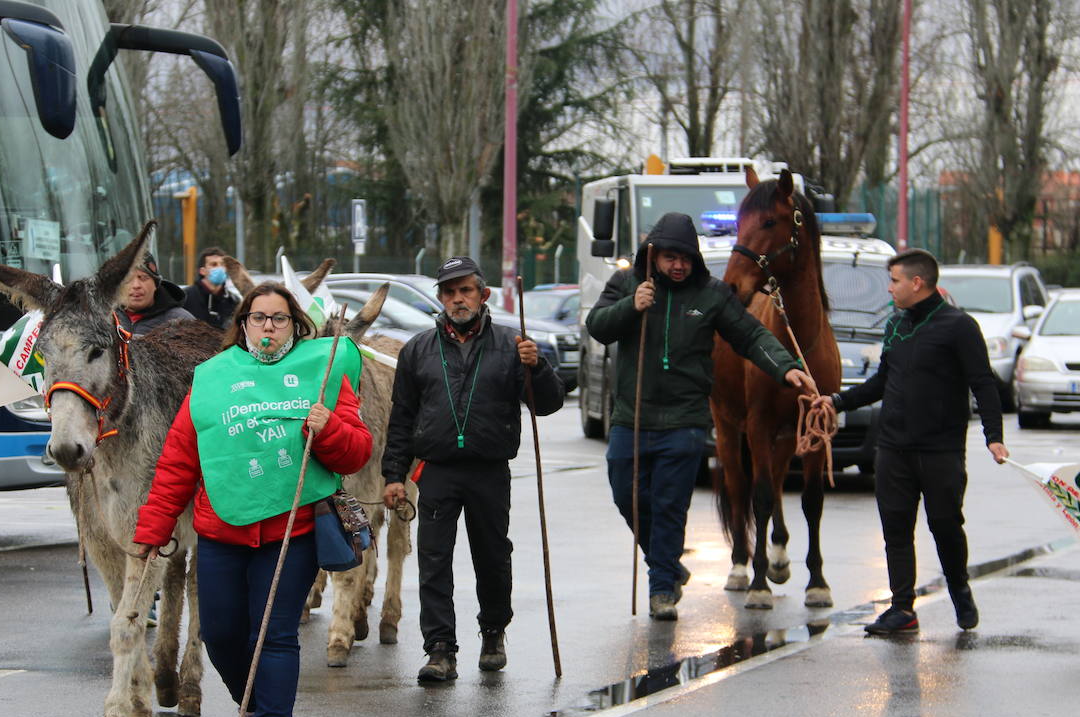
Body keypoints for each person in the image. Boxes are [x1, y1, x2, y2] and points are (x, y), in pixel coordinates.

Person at [133, 281, 371, 717]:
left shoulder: (322, 373)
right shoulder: (213, 379)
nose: (268, 326)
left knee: (276, 635)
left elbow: (355, 453)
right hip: (222, 532)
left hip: (293, 531)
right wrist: (152, 530)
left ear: (296, 324)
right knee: (221, 636)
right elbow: (179, 462)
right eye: (258, 317)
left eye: (279, 318)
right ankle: (255, 709)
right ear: (242, 324)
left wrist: (329, 430)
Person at [584, 212, 817, 621]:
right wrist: (630, 306)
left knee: (670, 506)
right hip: (631, 417)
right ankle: (668, 564)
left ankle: (661, 591)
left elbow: (750, 335)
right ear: (653, 255)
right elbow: (598, 327)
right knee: (628, 497)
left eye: (686, 258)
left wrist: (785, 366)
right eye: (671, 257)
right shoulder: (626, 284)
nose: (678, 265)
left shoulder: (711, 294)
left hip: (685, 421)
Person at [381, 256, 564, 683]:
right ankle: (440, 649)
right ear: (440, 298)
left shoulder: (512, 344)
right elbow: (402, 418)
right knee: (433, 560)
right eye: (449, 291)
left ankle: (493, 630)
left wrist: (537, 367)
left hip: (489, 470)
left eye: (465, 290)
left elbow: (549, 403)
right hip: (437, 471)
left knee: (493, 558)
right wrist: (394, 475)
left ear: (483, 295)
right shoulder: (417, 350)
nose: (457, 299)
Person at [820, 248, 1008, 636]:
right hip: (893, 449)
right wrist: (837, 401)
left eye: (894, 281)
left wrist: (994, 437)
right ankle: (902, 609)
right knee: (896, 530)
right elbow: (882, 382)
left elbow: (983, 383)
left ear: (916, 282)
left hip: (939, 451)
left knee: (945, 526)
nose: (889, 289)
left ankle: (959, 587)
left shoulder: (959, 326)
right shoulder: (895, 325)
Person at [117, 255, 195, 336]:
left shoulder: (181, 321)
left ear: (156, 284)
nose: (136, 285)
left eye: (143, 278)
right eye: (128, 279)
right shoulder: (107, 320)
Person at [182, 246, 239, 328]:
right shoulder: (185, 298)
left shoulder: (234, 301)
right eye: (214, 264)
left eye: (222, 264)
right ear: (202, 271)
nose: (220, 268)